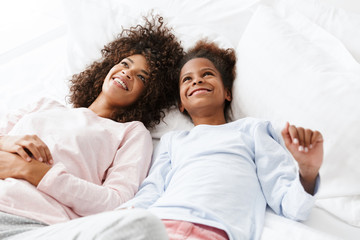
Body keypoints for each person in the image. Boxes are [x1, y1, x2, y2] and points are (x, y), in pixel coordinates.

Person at [117, 40, 323, 240]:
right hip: (159, 223)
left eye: (207, 74)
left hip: (214, 228)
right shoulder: (172, 140)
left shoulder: (252, 130)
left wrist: (307, 173)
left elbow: (290, 204)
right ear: (181, 104)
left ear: (227, 92)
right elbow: (151, 190)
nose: (197, 80)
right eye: (187, 79)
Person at [0, 14, 183, 239]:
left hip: (35, 224)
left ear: (150, 95)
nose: (127, 72)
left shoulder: (130, 133)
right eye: (125, 64)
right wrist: (6, 141)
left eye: (142, 77)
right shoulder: (46, 105)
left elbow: (115, 202)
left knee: (144, 226)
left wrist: (33, 172)